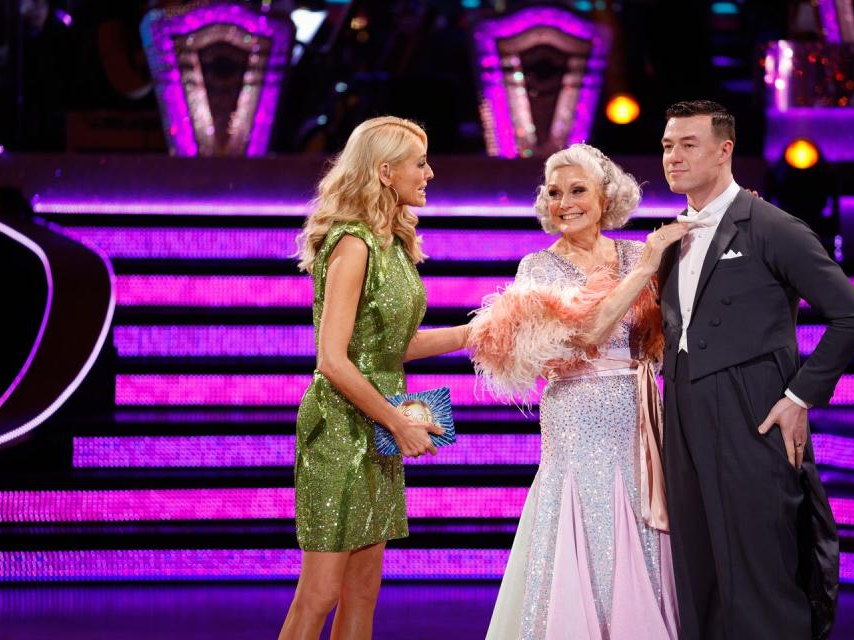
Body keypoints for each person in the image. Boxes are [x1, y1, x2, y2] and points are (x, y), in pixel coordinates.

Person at [657, 100, 854, 639]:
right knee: (697, 570)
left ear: (724, 150)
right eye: (667, 145)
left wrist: (799, 397)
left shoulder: (772, 226)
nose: (673, 157)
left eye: (688, 144)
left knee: (760, 572)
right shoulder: (670, 239)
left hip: (750, 413)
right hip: (681, 411)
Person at [471, 144, 688, 639]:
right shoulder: (538, 269)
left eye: (577, 190)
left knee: (642, 515)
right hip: (576, 411)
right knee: (586, 514)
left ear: (605, 196)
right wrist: (646, 266)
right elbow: (587, 336)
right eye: (553, 193)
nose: (564, 202)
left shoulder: (636, 253)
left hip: (638, 408)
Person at [279, 116, 470, 640]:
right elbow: (332, 359)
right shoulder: (353, 244)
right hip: (340, 429)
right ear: (386, 172)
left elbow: (394, 348)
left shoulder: (396, 245)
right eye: (419, 163)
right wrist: (398, 421)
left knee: (364, 591)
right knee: (318, 595)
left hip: (379, 426)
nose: (428, 173)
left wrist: (472, 333)